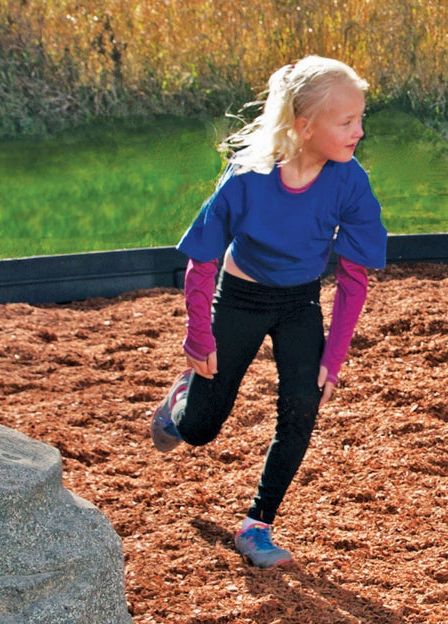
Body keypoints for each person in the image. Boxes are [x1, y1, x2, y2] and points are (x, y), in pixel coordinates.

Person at [149, 56, 388, 567]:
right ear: (304, 126)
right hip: (240, 298)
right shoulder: (246, 178)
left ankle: (257, 525)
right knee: (201, 429)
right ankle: (179, 405)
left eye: (361, 118)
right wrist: (199, 338)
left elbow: (352, 277)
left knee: (303, 408)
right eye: (347, 122)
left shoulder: (350, 181)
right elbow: (202, 260)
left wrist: (335, 356)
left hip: (299, 302)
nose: (360, 132)